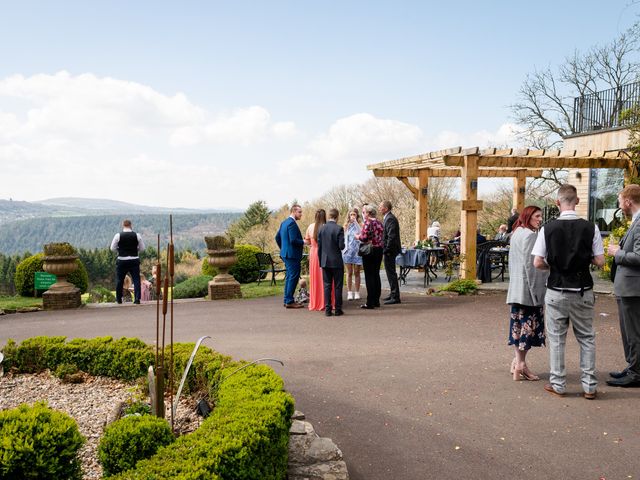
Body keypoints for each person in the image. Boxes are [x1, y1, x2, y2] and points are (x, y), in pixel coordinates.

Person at [532, 184, 605, 399]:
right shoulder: (591, 227)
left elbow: (537, 262)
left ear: (557, 203)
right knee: (586, 338)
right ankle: (590, 386)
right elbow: (600, 261)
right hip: (582, 289)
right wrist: (585, 259)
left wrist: (552, 266)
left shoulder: (547, 228)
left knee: (556, 339)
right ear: (578, 201)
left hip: (556, 289)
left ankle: (558, 384)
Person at [506, 206, 548, 381]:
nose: (540, 219)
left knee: (518, 327)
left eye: (540, 216)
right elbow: (532, 267)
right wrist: (537, 292)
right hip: (528, 290)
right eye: (537, 216)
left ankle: (517, 363)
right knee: (527, 330)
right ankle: (521, 365)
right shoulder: (531, 235)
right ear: (528, 216)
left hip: (516, 288)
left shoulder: (516, 233)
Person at [606, 184, 640, 388]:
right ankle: (632, 367)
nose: (620, 206)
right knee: (630, 332)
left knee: (634, 332)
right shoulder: (635, 221)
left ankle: (636, 373)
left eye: (620, 201)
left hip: (633, 289)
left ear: (628, 201)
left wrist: (616, 253)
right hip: (628, 287)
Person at [275, 204, 305, 309]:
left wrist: (283, 248)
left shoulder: (284, 223)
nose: (301, 214)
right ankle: (289, 301)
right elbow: (293, 240)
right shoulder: (292, 224)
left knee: (289, 277)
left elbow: (277, 237)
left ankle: (287, 299)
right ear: (293, 212)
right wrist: (304, 242)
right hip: (292, 255)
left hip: (286, 254)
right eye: (299, 212)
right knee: (293, 277)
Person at [317, 208, 345, 316]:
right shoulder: (339, 229)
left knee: (327, 286)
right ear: (337, 217)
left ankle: (328, 310)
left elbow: (319, 248)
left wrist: (321, 261)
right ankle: (338, 309)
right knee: (338, 286)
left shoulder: (321, 229)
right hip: (337, 261)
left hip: (325, 261)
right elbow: (341, 246)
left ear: (329, 216)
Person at [110, 219, 145, 304]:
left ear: (123, 225)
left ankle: (119, 299)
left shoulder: (118, 235)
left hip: (122, 260)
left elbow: (112, 248)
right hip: (134, 260)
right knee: (136, 280)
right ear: (131, 225)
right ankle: (137, 299)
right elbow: (142, 249)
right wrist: (135, 249)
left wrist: (120, 250)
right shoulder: (137, 235)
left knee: (120, 280)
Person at [356, 204, 384, 309]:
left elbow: (364, 238)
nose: (363, 214)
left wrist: (357, 236)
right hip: (379, 250)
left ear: (368, 213)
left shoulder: (368, 223)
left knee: (369, 276)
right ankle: (376, 300)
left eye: (364, 212)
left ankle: (370, 302)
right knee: (376, 275)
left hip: (369, 251)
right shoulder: (380, 223)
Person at [304, 209, 328, 311]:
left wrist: (311, 244)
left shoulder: (310, 227)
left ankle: (315, 301)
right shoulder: (326, 227)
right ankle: (326, 301)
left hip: (314, 253)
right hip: (325, 253)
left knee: (315, 278)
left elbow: (306, 241)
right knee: (326, 277)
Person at [379, 201, 402, 305]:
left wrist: (386, 249)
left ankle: (395, 296)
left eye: (381, 207)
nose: (379, 208)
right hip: (389, 249)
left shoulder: (390, 219)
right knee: (390, 272)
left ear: (386, 208)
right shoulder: (387, 218)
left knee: (391, 273)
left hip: (390, 250)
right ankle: (393, 294)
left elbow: (391, 236)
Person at [342, 208, 363, 300]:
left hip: (357, 251)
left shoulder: (360, 224)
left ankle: (357, 292)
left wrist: (355, 222)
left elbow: (361, 232)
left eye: (354, 214)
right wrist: (348, 225)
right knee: (349, 272)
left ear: (357, 215)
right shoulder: (346, 225)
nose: (352, 216)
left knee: (357, 272)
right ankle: (349, 292)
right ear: (348, 215)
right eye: (351, 214)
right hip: (348, 251)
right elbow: (343, 236)